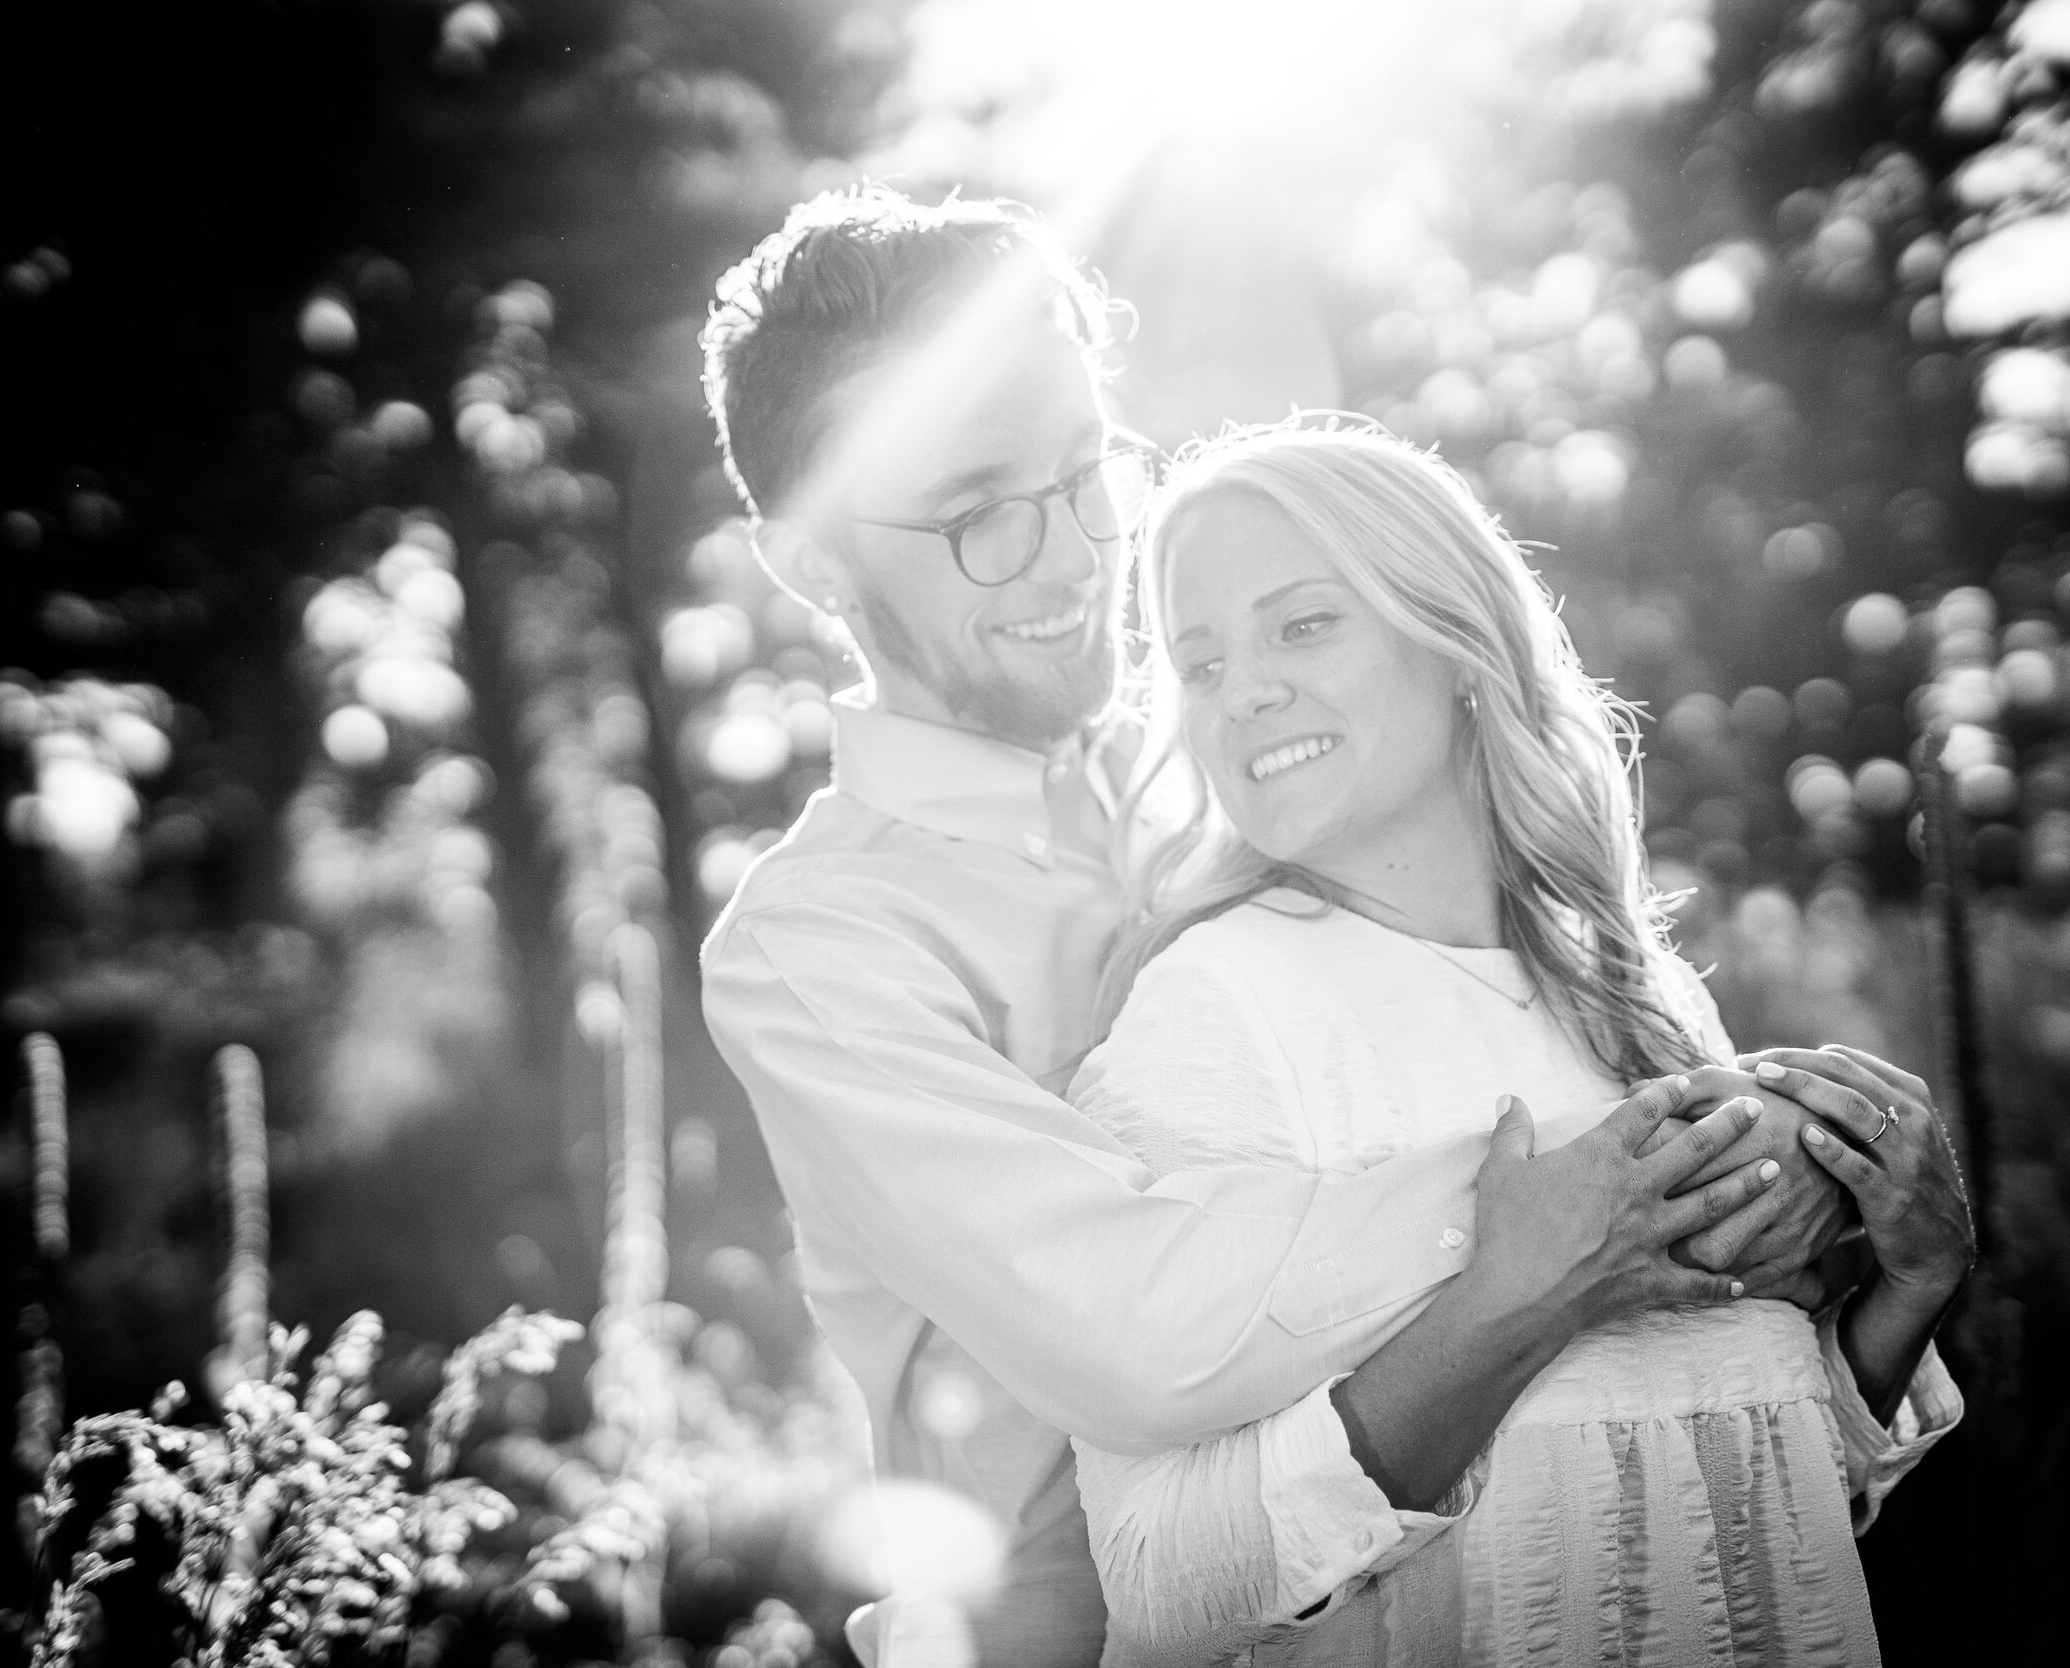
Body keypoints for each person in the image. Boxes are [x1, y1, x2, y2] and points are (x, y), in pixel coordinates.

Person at [695, 186, 1852, 1666]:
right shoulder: (817, 951)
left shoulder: (1266, 766)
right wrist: (1599, 1180)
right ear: (806, 559)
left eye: (1084, 473)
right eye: (981, 514)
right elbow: (1132, 1326)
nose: (1068, 560)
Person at [1067, 420, 1970, 1663]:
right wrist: (1515, 1305)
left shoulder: (1631, 992)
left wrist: (1909, 1288)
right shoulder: (1215, 1008)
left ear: (1454, 643)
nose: (1245, 692)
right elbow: (1161, 1584)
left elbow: (1744, 1482)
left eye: (1303, 623)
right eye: (1200, 662)